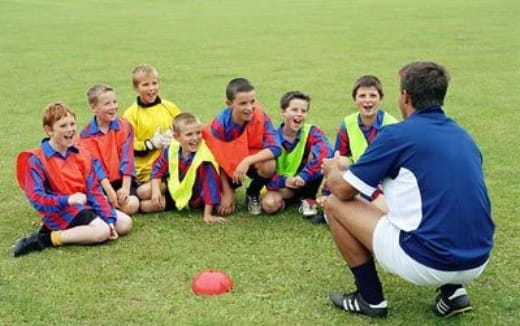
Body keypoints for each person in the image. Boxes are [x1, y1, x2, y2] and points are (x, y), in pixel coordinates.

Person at [321, 61, 494, 318]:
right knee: (434, 202)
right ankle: (454, 293)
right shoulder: (463, 135)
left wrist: (333, 169)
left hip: (428, 260)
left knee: (334, 205)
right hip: (478, 258)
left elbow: (343, 191)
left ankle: (370, 298)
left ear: (405, 96)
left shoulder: (396, 134)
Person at [13, 102, 133, 257]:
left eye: (72, 124)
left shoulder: (81, 154)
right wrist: (67, 200)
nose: (70, 130)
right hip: (58, 210)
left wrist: (108, 218)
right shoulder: (36, 160)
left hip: (83, 206)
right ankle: (46, 238)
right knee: (101, 231)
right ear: (49, 130)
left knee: (124, 224)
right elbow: (37, 199)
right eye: (63, 126)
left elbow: (93, 190)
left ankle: (86, 227)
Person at [202, 78, 281, 215]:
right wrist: (227, 193)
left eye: (252, 101)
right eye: (243, 103)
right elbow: (216, 162)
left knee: (269, 164)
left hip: (249, 161)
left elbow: (275, 148)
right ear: (229, 104)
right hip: (227, 167)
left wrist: (247, 161)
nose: (249, 108)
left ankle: (253, 193)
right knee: (223, 208)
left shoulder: (260, 116)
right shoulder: (219, 126)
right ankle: (230, 188)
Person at [139, 113, 225, 224]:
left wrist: (208, 214)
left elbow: (210, 185)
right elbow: (158, 168)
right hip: (174, 187)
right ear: (176, 137)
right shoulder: (172, 148)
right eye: (189, 134)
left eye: (198, 133)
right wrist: (156, 191)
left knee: (144, 206)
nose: (195, 138)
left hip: (191, 196)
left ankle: (170, 203)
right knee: (142, 192)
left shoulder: (204, 158)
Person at [261, 91, 332, 221]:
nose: (299, 114)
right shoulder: (272, 136)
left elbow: (326, 153)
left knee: (319, 155)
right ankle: (290, 199)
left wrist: (303, 176)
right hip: (283, 185)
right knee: (269, 205)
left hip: (306, 180)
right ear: (283, 112)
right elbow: (263, 174)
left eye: (303, 111)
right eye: (294, 109)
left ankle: (308, 198)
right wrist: (285, 181)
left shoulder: (312, 131)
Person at [332, 75, 398, 211]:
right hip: (358, 179)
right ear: (355, 99)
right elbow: (337, 159)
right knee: (340, 161)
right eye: (362, 96)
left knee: (381, 210)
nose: (367, 100)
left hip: (385, 183)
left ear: (381, 99)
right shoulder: (348, 123)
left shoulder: (392, 126)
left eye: (373, 95)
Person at [80, 84, 139, 215]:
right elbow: (95, 166)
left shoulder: (125, 126)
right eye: (107, 104)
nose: (113, 107)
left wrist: (125, 187)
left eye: (114, 102)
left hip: (122, 180)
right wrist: (110, 191)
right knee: (105, 199)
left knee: (132, 205)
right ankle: (106, 205)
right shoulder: (86, 135)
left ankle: (109, 207)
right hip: (102, 183)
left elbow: (127, 159)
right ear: (94, 108)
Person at [122, 64, 181, 187]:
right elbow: (128, 148)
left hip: (170, 167)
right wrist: (151, 144)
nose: (151, 88)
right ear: (136, 88)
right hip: (145, 172)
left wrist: (176, 140)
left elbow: (185, 131)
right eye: (145, 85)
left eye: (154, 83)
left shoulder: (170, 107)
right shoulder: (130, 114)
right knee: (144, 197)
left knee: (145, 197)